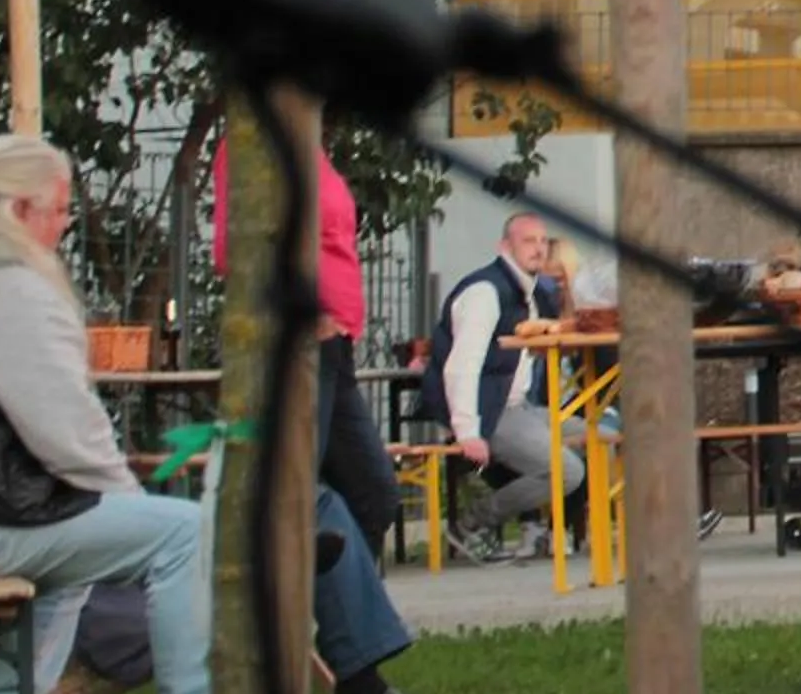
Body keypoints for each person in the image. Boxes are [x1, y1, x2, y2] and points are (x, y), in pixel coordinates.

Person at [0, 134, 209, 694]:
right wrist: (127, 497)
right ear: (16, 210)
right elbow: (62, 427)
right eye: (57, 209)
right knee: (184, 534)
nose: (65, 225)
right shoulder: (7, 287)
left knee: (76, 548)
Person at [209, 138, 403, 553]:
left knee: (374, 493)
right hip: (299, 341)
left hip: (336, 344)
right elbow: (234, 250)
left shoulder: (306, 141)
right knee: (293, 490)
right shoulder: (253, 144)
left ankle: (344, 612)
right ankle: (277, 604)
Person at [423, 211, 580, 563]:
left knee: (604, 435)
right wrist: (467, 430)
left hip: (522, 406)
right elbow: (461, 365)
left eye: (542, 241)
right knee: (566, 470)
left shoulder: (535, 292)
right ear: (504, 246)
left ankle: (559, 532)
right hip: (487, 410)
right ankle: (471, 523)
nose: (538, 249)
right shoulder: (485, 292)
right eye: (528, 241)